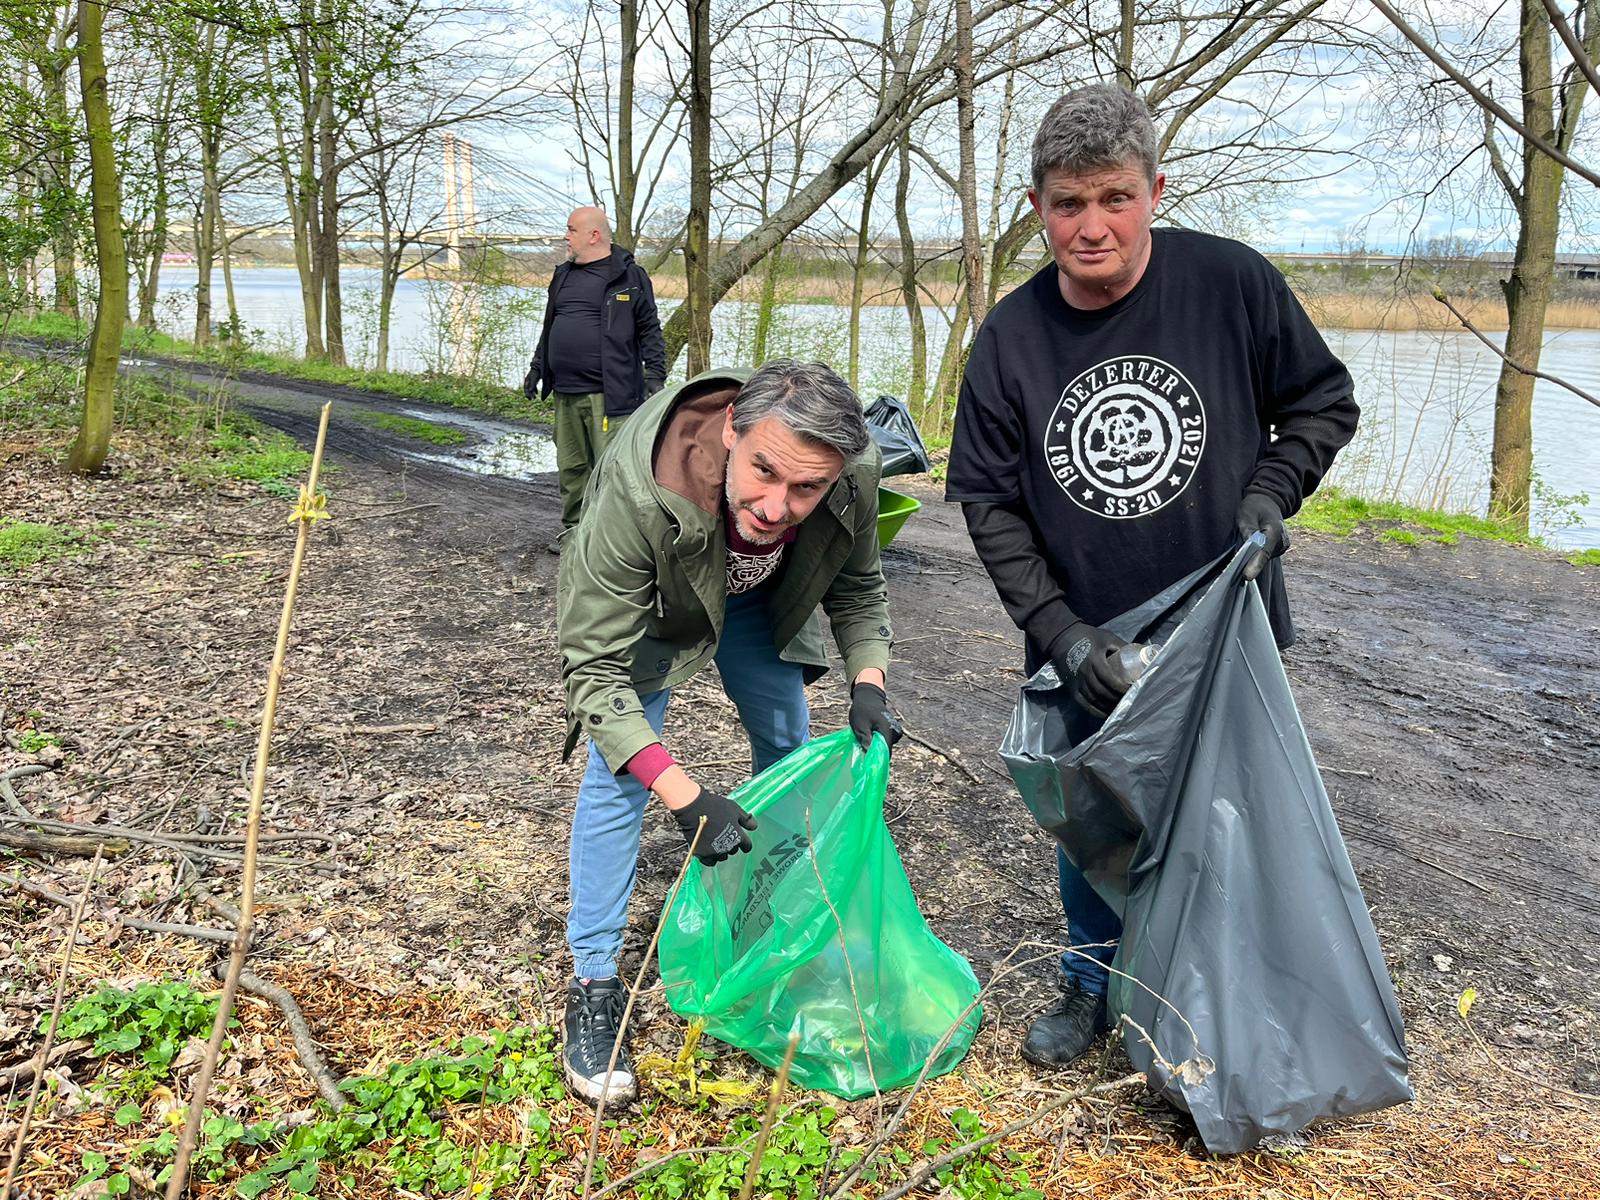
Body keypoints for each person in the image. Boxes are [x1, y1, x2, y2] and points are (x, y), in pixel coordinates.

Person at [945, 84, 1359, 1070]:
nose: (1092, 227)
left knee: (1229, 826)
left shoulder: (1232, 286)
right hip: (1090, 641)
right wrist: (1060, 633)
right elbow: (989, 506)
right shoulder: (1009, 339)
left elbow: (1320, 405)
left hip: (1224, 628)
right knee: (1095, 829)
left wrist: (1268, 495)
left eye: (1115, 198)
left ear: (1155, 190)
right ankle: (1092, 986)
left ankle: (1220, 1007)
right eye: (1068, 203)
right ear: (1038, 206)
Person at [556, 358, 902, 1104]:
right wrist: (684, 796)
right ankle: (591, 981)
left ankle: (773, 931)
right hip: (660, 602)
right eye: (764, 472)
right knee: (622, 777)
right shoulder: (643, 488)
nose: (777, 507)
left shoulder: (852, 467)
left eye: (804, 488)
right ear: (730, 431)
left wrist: (869, 682)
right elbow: (593, 670)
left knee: (792, 747)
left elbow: (859, 586)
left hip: (759, 601)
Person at [524, 206, 666, 549]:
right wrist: (537, 368)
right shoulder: (563, 275)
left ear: (594, 235)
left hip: (610, 396)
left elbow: (650, 329)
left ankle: (608, 542)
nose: (565, 236)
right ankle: (574, 533)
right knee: (572, 468)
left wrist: (656, 374)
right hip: (566, 393)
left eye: (571, 230)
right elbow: (549, 327)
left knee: (610, 471)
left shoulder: (629, 277)